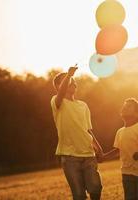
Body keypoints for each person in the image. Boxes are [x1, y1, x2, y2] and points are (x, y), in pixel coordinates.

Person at [50, 65, 103, 200]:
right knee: (79, 195)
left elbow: (88, 130)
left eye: (73, 81)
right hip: (70, 157)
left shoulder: (83, 106)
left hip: (88, 154)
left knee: (95, 187)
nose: (72, 82)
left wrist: (98, 147)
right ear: (58, 86)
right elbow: (61, 93)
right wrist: (68, 75)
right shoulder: (57, 103)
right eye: (67, 81)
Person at [102, 98, 138, 200]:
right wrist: (104, 157)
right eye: (124, 106)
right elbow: (117, 150)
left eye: (129, 106)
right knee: (129, 197)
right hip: (126, 172)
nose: (124, 107)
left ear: (137, 114)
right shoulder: (120, 132)